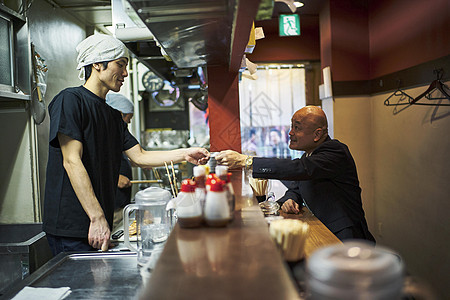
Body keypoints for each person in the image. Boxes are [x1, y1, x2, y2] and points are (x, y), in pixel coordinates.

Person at [43, 34, 210, 256]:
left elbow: (139, 156)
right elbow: (72, 161)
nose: (125, 73)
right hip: (71, 226)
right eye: (120, 65)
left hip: (98, 225)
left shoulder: (113, 116)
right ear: (97, 64)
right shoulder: (70, 100)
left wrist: (186, 153)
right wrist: (98, 217)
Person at [216, 106, 375, 242]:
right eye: (291, 126)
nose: (290, 132)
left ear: (317, 134)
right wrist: (291, 198)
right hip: (322, 229)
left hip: (345, 235)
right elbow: (297, 186)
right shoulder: (308, 155)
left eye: (297, 127)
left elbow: (299, 169)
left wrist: (247, 161)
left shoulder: (335, 152)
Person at [105, 93, 134, 231]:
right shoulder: (102, 134)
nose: (128, 122)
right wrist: (114, 178)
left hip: (122, 205)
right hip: (112, 207)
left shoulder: (117, 134)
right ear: (119, 114)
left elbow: (138, 155)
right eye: (128, 118)